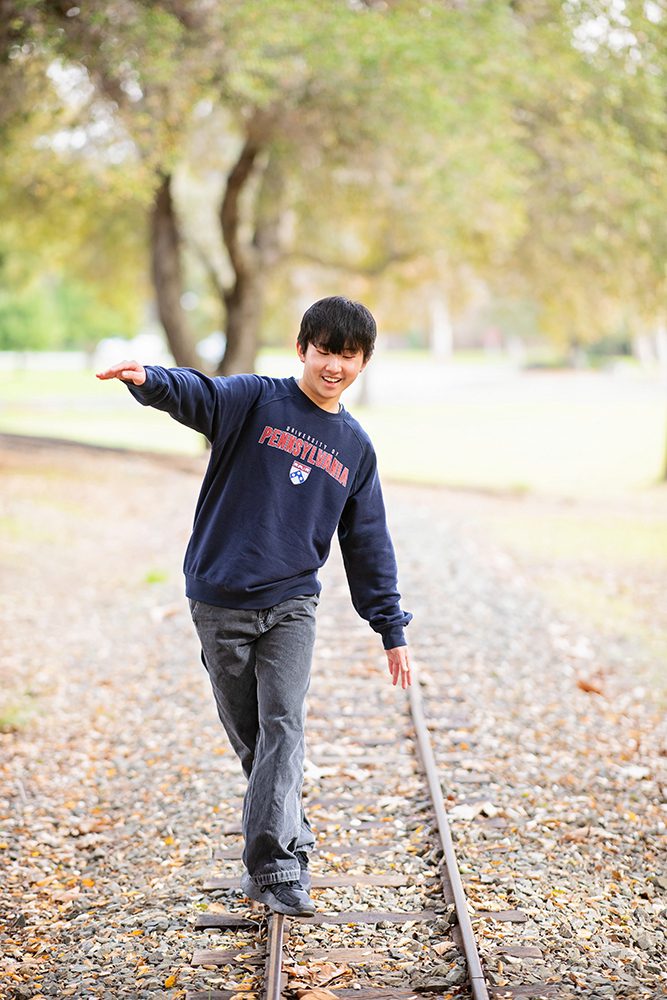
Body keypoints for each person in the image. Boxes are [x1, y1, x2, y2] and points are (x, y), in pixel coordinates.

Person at [96, 296, 412, 917]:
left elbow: (367, 540)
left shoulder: (355, 446)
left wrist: (391, 626)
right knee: (254, 739)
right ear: (302, 349)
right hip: (219, 599)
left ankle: (274, 866)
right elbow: (200, 394)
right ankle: (288, 826)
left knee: (283, 726)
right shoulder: (256, 401)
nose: (334, 366)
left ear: (364, 362)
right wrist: (150, 380)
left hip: (292, 603)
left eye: (348, 357)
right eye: (324, 351)